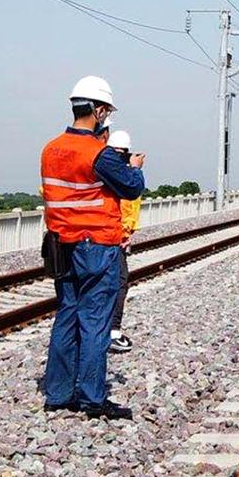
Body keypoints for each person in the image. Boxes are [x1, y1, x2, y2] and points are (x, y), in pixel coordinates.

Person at [40, 75, 148, 419]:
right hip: (96, 245)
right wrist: (133, 168)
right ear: (99, 110)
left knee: (66, 316)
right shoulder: (99, 155)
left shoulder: (50, 149)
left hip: (62, 244)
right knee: (95, 321)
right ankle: (91, 396)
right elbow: (131, 189)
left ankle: (57, 393)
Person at [106, 130, 140, 353]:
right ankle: (113, 332)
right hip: (113, 237)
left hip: (94, 236)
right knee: (119, 282)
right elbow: (131, 202)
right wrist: (135, 169)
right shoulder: (124, 176)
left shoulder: (100, 168)